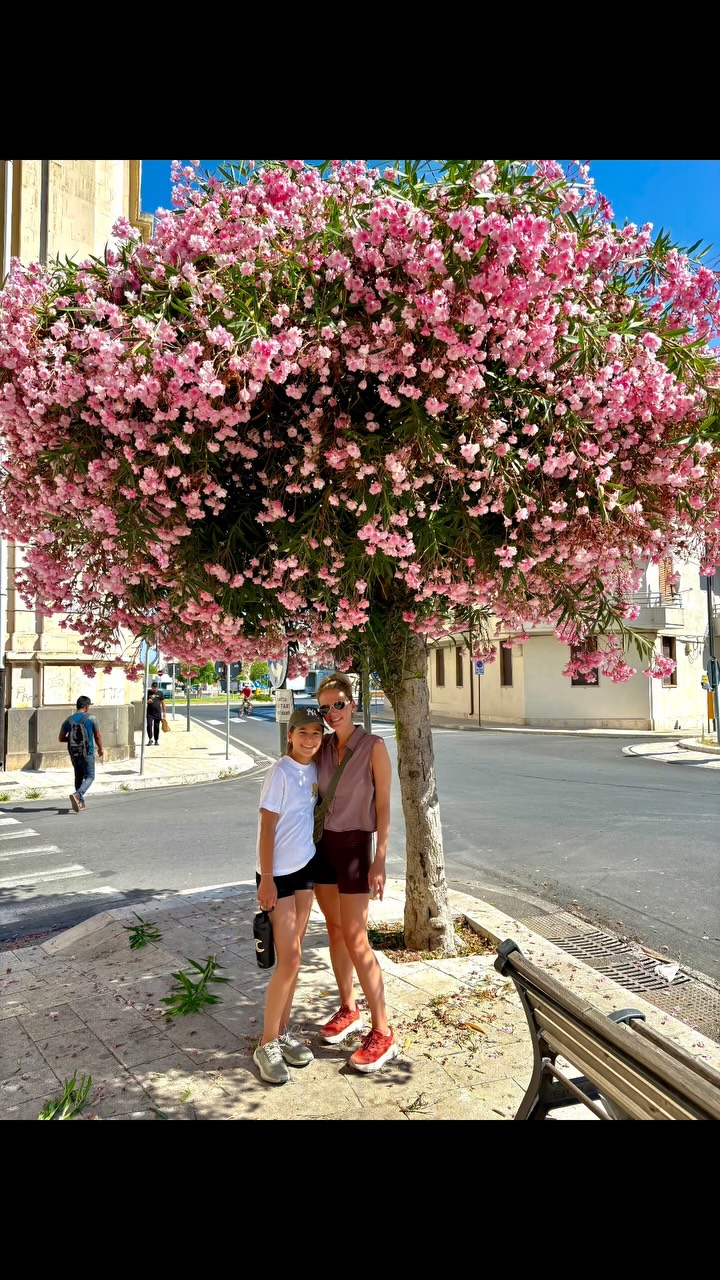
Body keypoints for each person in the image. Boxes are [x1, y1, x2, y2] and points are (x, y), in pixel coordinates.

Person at [311, 672, 397, 1073]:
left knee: (356, 936)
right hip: (323, 847)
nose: (332, 714)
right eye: (324, 708)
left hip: (355, 847)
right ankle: (349, 1007)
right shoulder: (323, 747)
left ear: (353, 704)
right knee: (333, 930)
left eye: (338, 705)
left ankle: (383, 1030)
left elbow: (383, 807)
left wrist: (380, 857)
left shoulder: (374, 747)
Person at [253, 707, 325, 1086]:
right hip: (277, 875)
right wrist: (265, 878)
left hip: (305, 870)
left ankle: (282, 1032)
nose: (310, 740)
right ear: (290, 736)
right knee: (291, 959)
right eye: (303, 733)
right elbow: (267, 828)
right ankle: (266, 1044)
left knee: (295, 956)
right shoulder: (280, 772)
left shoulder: (314, 769)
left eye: (316, 733)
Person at [59, 695, 104, 813]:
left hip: (74, 752)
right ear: (87, 707)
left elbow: (61, 738)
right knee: (90, 776)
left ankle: (80, 802)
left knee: (78, 776)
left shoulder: (68, 720)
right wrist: (100, 749)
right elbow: (97, 736)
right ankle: (78, 795)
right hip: (87, 752)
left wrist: (74, 741)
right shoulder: (92, 718)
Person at [146, 680, 167, 745]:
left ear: (157, 687)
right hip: (149, 712)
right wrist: (147, 702)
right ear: (151, 687)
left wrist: (164, 712)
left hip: (157, 712)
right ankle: (150, 739)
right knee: (149, 725)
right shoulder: (148, 692)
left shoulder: (160, 693)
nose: (154, 689)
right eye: (153, 687)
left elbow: (163, 703)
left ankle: (156, 740)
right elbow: (143, 700)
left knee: (156, 726)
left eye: (155, 688)